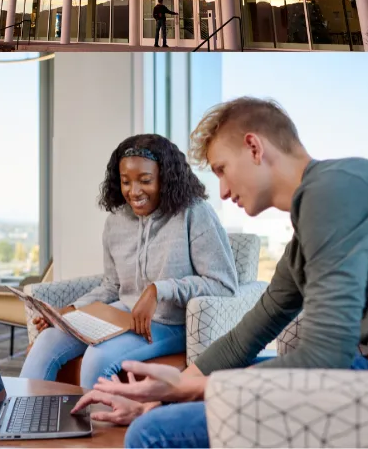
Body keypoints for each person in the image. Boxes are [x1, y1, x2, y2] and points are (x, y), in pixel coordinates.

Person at [71, 97, 368, 449]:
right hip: (360, 366)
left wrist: (191, 388)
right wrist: (161, 399)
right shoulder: (314, 218)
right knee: (156, 416)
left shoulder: (333, 192)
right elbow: (251, 331)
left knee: (149, 434)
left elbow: (325, 356)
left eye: (222, 169)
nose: (224, 192)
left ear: (254, 147)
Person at [20, 134, 238, 390]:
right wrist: (69, 311)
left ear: (165, 179)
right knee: (48, 340)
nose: (134, 192)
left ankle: (95, 428)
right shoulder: (116, 221)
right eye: (126, 182)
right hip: (121, 314)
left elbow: (223, 285)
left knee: (97, 357)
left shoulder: (195, 213)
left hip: (172, 324)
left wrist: (159, 290)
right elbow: (112, 286)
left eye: (145, 180)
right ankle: (21, 422)